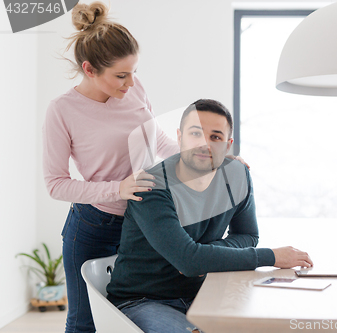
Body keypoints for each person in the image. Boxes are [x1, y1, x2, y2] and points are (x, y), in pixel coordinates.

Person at [43, 2, 245, 332]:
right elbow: (56, 184)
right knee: (84, 322)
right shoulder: (62, 110)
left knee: (134, 314)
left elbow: (157, 140)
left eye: (134, 71)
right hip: (94, 226)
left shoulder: (134, 88)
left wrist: (210, 157)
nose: (130, 82)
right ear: (90, 69)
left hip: (142, 223)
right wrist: (117, 188)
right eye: (121, 75)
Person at [106, 99, 313, 333]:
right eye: (196, 133)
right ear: (180, 137)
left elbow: (248, 234)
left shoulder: (237, 176)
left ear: (227, 144)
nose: (204, 144)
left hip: (205, 293)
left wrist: (205, 252)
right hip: (143, 300)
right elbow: (190, 261)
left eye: (215, 137)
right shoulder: (151, 186)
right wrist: (271, 257)